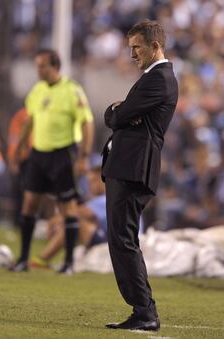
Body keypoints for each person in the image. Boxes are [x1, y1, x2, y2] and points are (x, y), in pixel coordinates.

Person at [101, 20, 178, 331]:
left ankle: (145, 312)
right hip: (128, 166)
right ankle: (142, 310)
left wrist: (118, 113)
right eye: (130, 48)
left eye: (137, 48)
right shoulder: (153, 78)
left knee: (123, 239)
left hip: (133, 168)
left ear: (155, 46)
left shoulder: (158, 79)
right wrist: (120, 114)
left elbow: (118, 116)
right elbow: (121, 116)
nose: (132, 54)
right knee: (122, 238)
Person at [10, 49, 94, 274]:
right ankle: (23, 259)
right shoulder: (37, 91)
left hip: (63, 153)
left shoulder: (72, 91)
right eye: (37, 66)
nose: (38, 70)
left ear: (55, 66)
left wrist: (84, 156)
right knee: (29, 203)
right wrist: (19, 149)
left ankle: (68, 263)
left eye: (42, 66)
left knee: (67, 207)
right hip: (38, 153)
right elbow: (30, 121)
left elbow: (87, 123)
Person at [30, 166, 107, 270]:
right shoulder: (102, 199)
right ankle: (54, 260)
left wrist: (56, 221)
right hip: (102, 237)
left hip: (106, 241)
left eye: (93, 181)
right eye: (89, 182)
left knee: (74, 222)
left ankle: (42, 259)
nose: (90, 186)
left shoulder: (105, 199)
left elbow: (79, 213)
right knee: (71, 223)